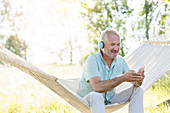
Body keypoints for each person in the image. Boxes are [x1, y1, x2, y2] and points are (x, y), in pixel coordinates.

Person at [77, 28, 145, 113]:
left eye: (118, 44)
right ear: (102, 44)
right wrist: (122, 78)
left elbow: (134, 83)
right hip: (88, 101)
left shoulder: (121, 61)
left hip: (110, 100)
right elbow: (97, 87)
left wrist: (138, 80)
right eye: (112, 44)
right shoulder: (92, 60)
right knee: (96, 96)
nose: (116, 48)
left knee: (138, 90)